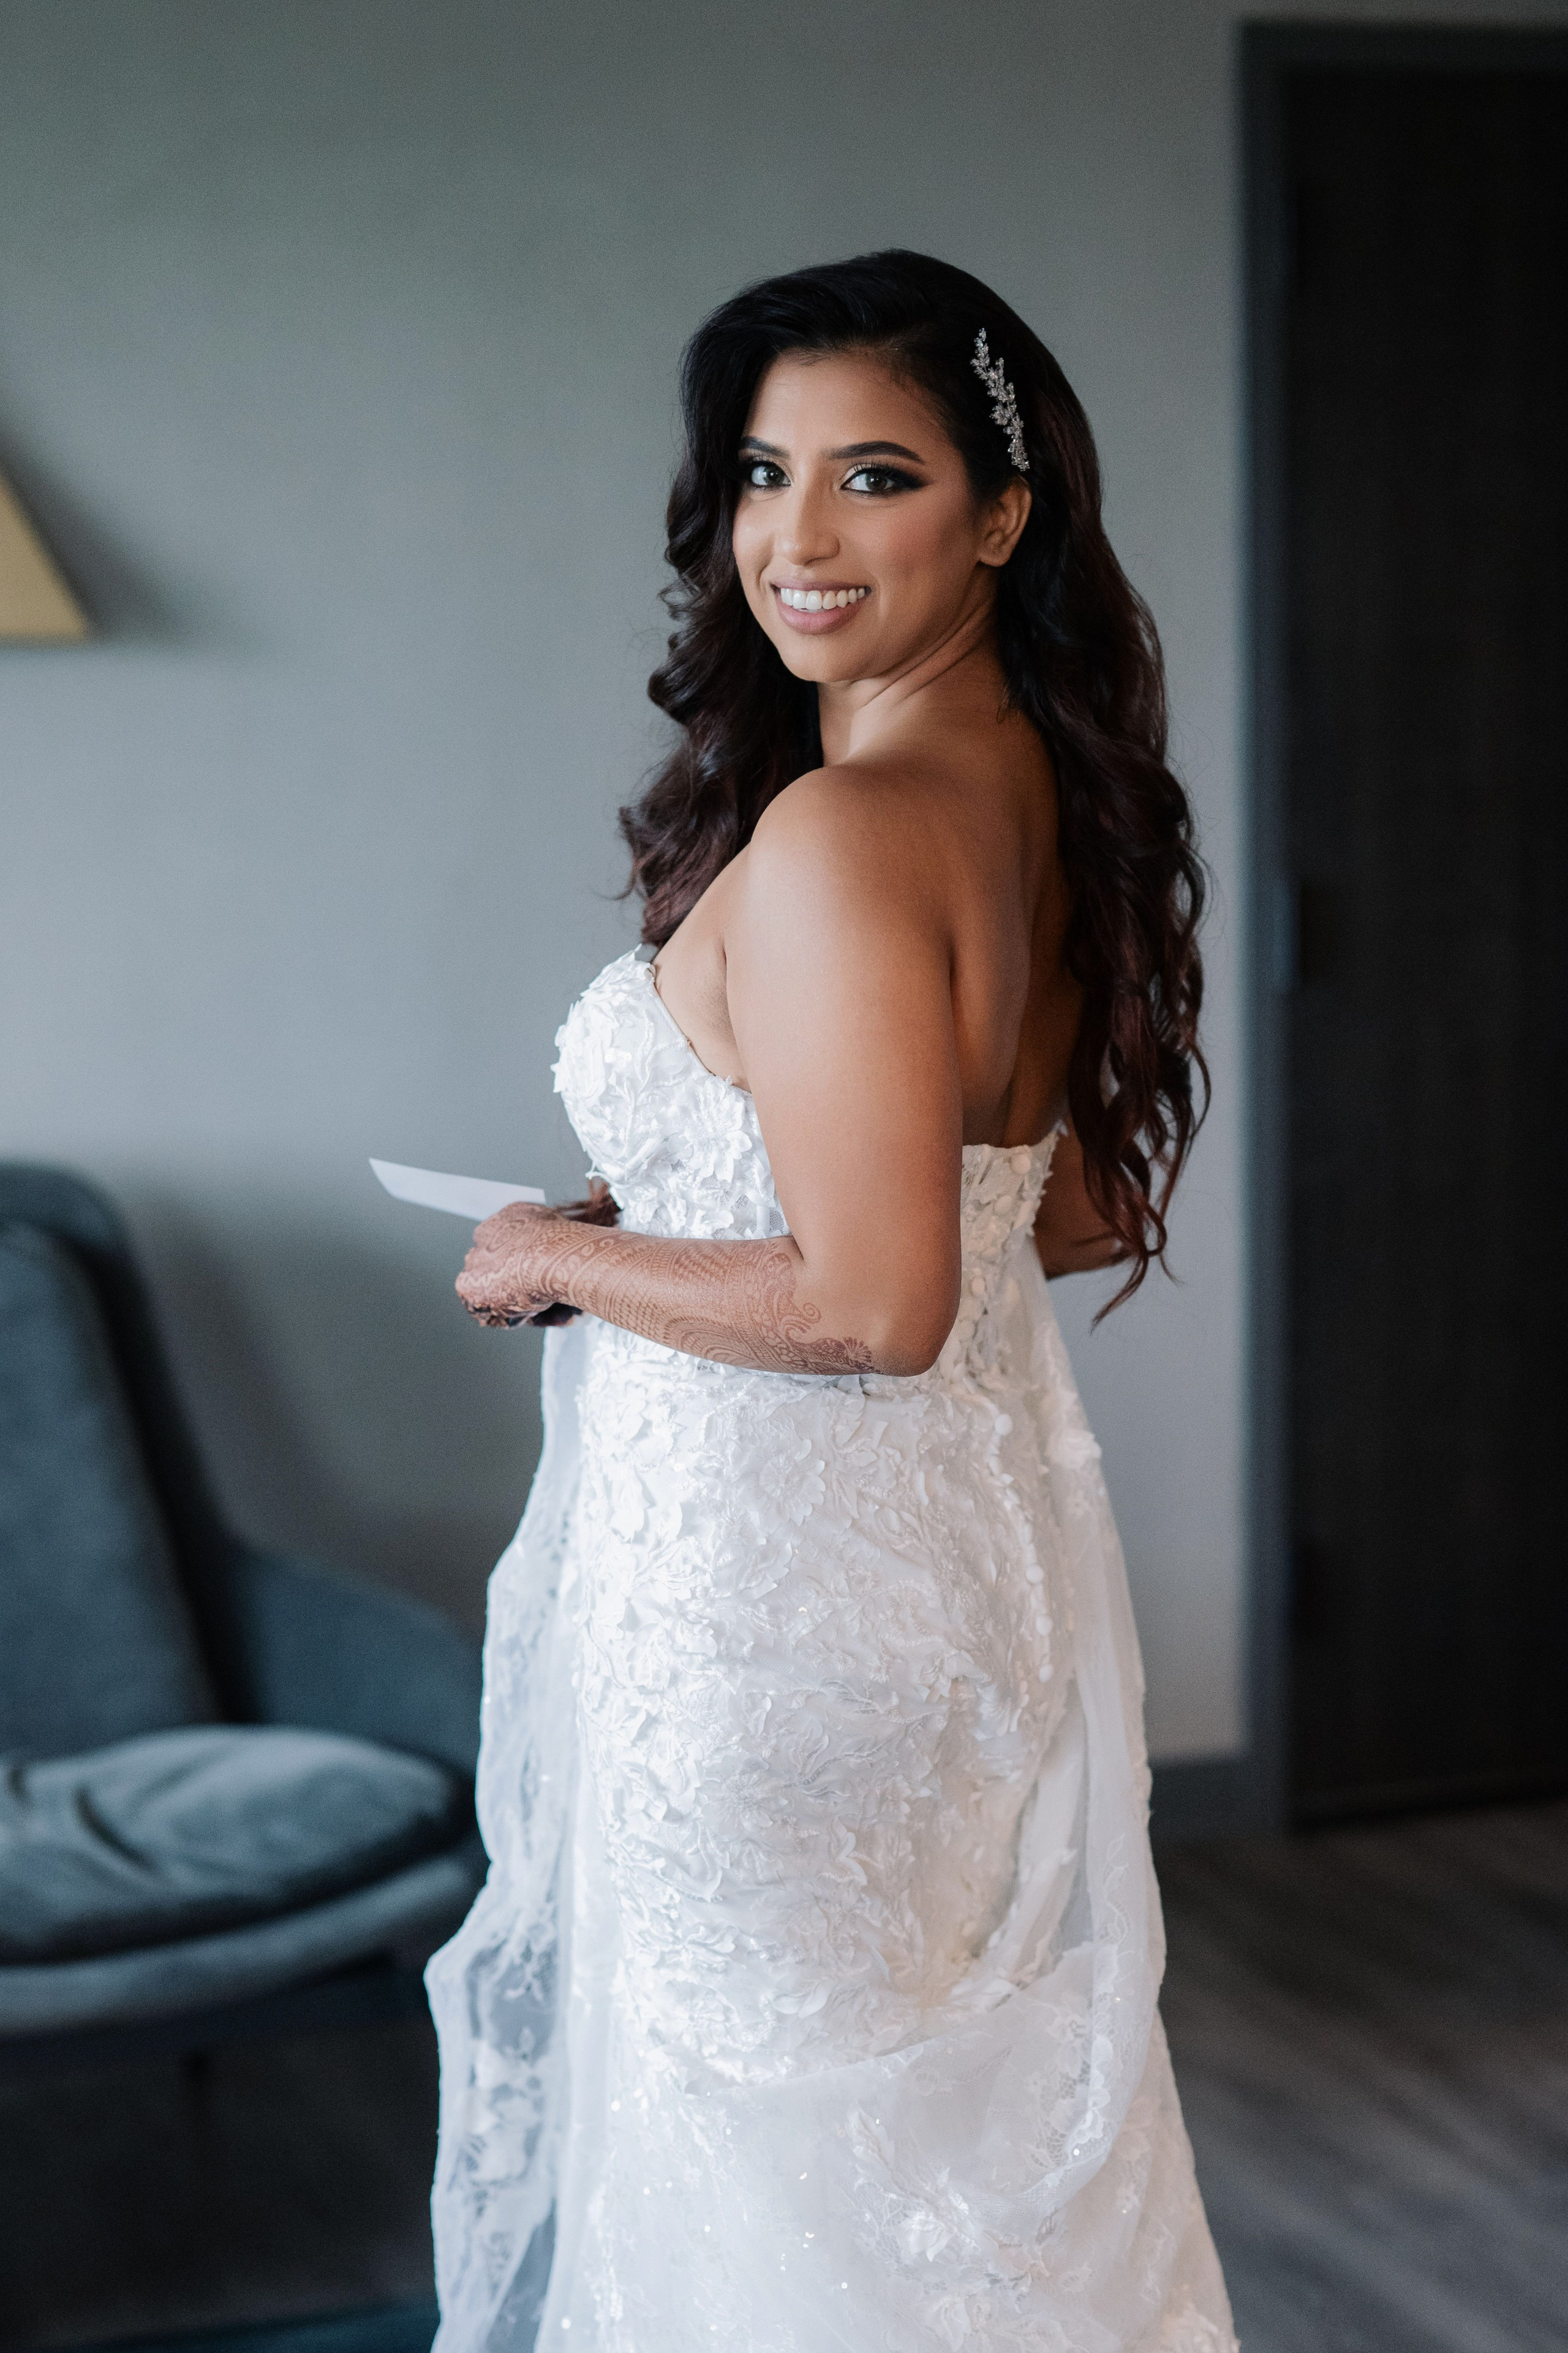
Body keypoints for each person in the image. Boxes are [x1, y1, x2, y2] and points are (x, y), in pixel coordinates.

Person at [425, 249, 1235, 2353]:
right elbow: (1051, 1213)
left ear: (1003, 509)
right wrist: (689, 1196)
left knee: (774, 2208)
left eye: (877, 474)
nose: (798, 533)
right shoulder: (1034, 794)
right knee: (898, 2186)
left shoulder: (851, 829)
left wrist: (557, 1253)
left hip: (767, 1632)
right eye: (765, 473)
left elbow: (880, 1300)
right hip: (938, 1596)